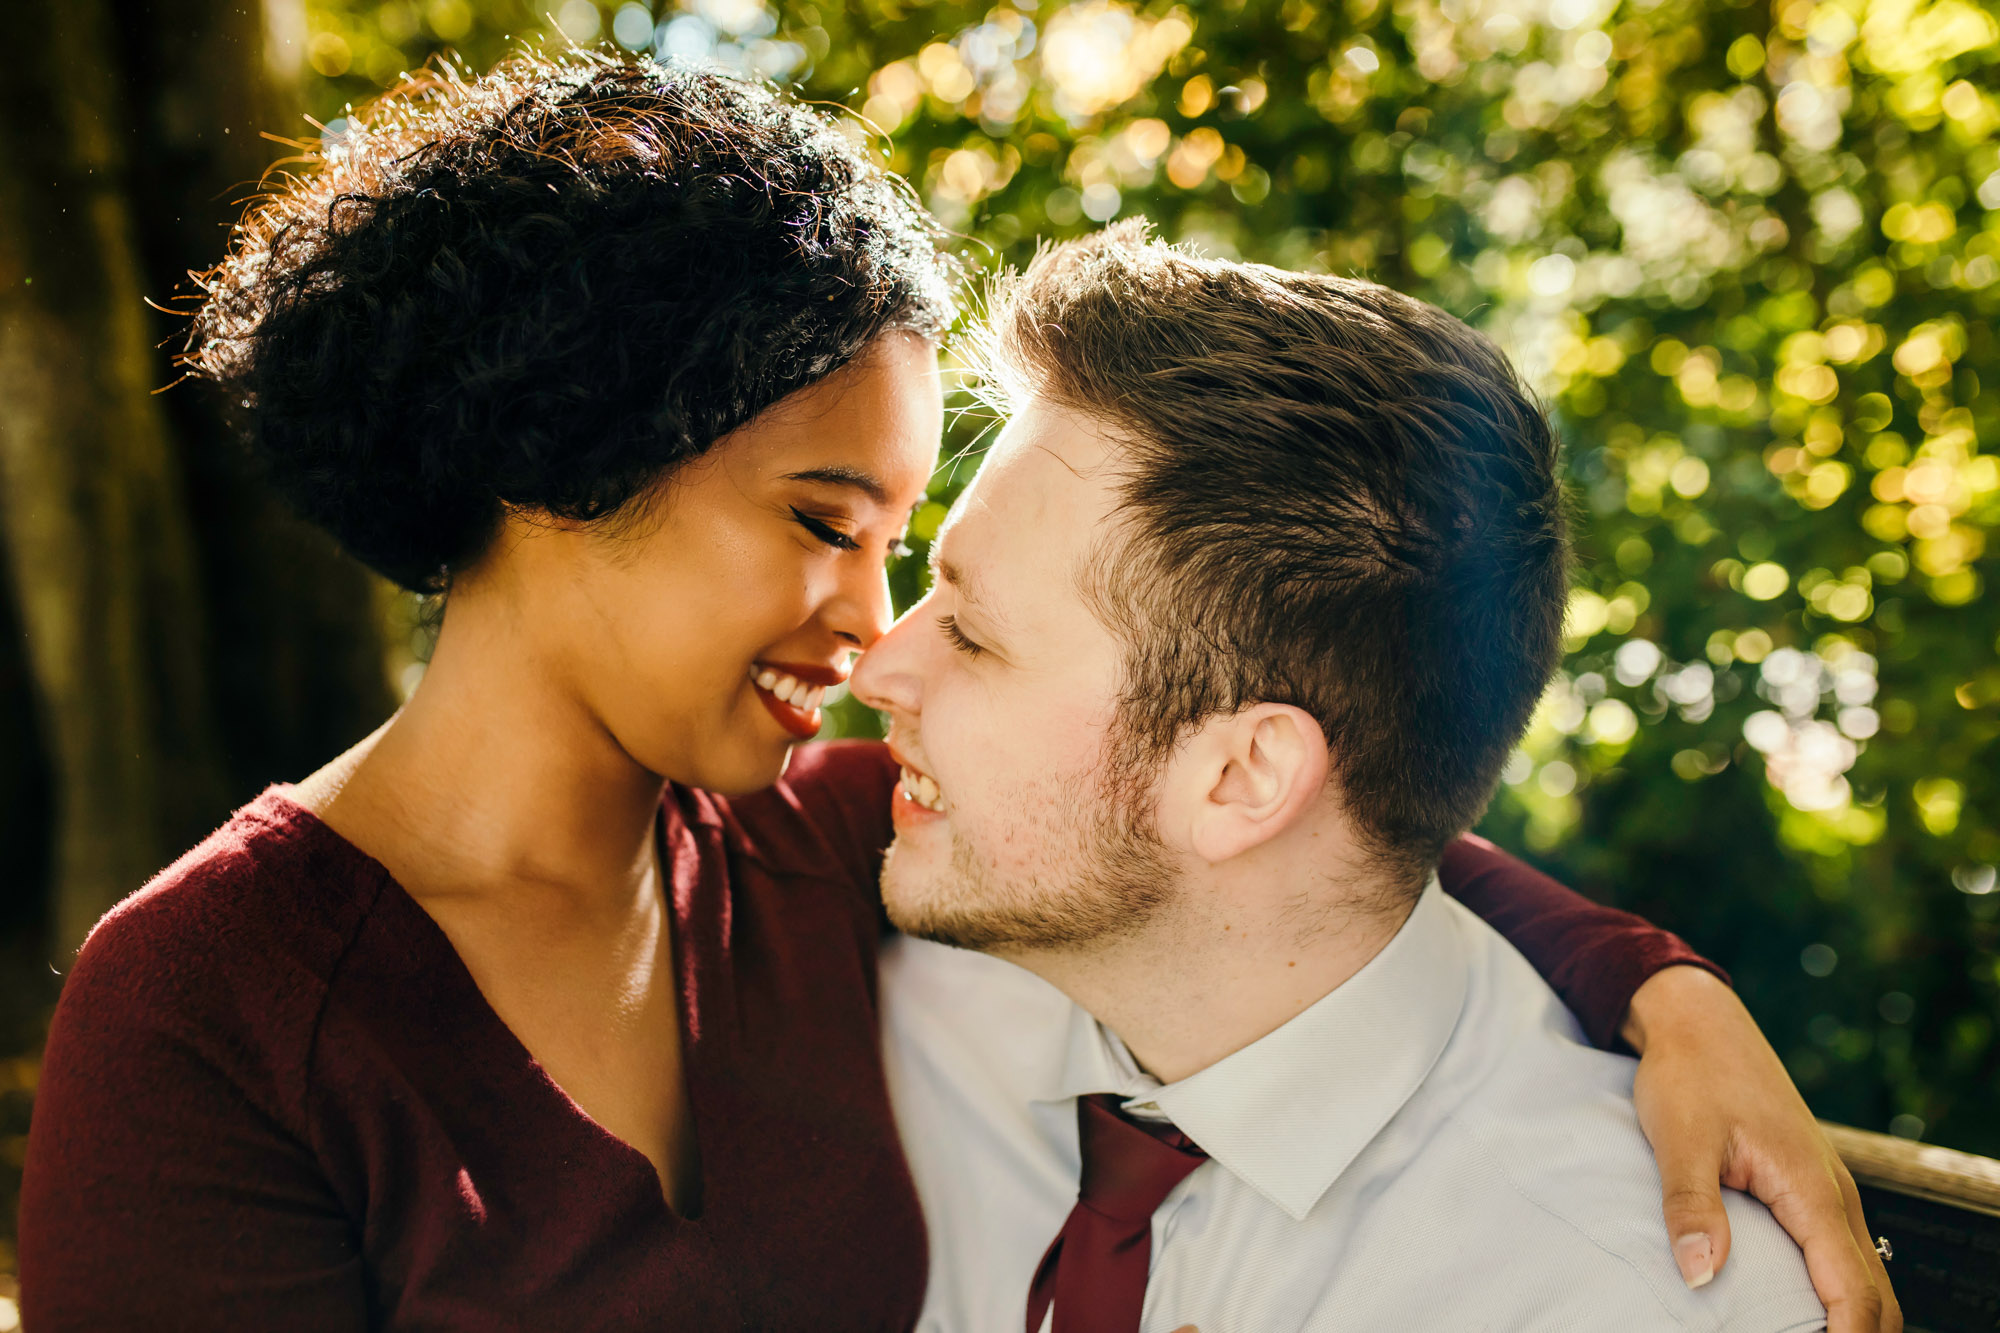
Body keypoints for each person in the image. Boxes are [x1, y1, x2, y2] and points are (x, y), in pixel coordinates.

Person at [17, 51, 1890, 1332]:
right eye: (824, 517)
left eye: (909, 542)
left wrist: (1659, 983)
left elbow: (1310, 826)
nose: (876, 620)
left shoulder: (825, 851)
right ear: (559, 457)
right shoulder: (214, 1008)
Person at [854, 227, 1865, 1331]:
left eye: (977, 636)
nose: (875, 665)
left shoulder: (1628, 1296)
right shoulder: (892, 972)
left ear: (1242, 776)